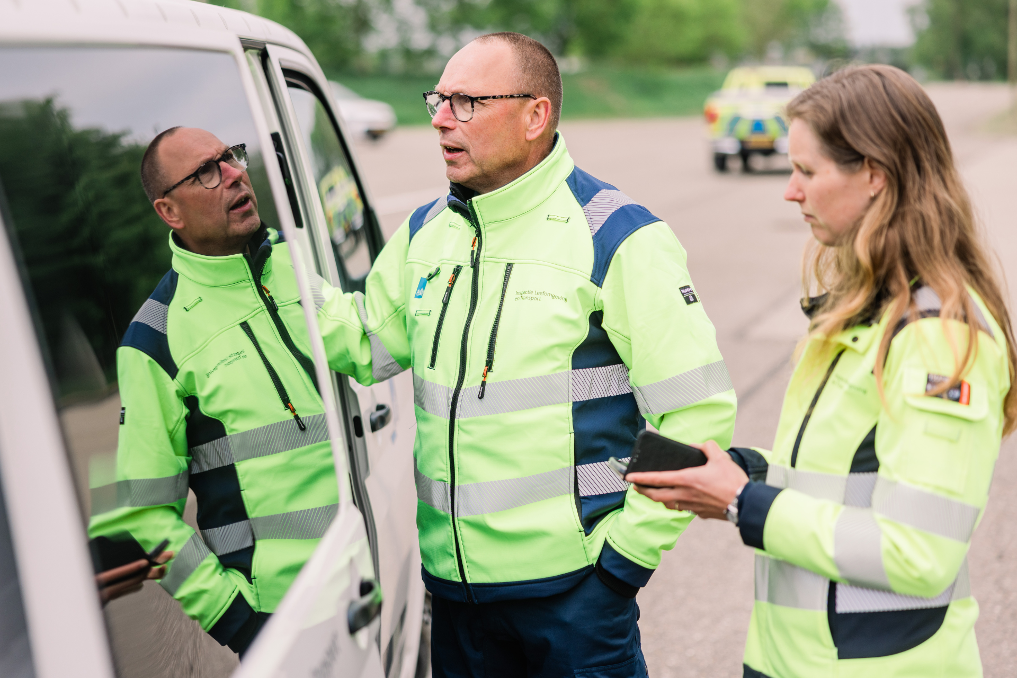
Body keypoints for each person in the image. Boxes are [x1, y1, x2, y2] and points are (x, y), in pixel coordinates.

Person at [315, 32, 736, 676]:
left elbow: (697, 412)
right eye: (439, 99)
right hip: (457, 601)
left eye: (466, 103)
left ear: (535, 114)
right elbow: (366, 344)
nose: (439, 119)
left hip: (577, 601)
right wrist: (258, 274)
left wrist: (623, 563)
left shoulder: (618, 237)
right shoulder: (427, 233)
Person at [628, 65, 1016, 678]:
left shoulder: (938, 337)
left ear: (873, 176)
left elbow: (921, 552)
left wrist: (743, 503)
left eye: (807, 171)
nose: (791, 191)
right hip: (794, 663)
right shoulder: (872, 307)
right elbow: (846, 478)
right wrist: (743, 474)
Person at [88, 127, 341, 655]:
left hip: (360, 570)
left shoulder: (294, 269)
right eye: (207, 171)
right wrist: (239, 619)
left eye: (230, 156)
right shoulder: (154, 341)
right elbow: (143, 513)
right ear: (170, 212)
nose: (233, 173)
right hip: (285, 615)